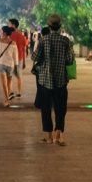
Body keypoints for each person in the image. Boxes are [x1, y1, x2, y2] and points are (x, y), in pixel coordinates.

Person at [31, 14, 73, 145]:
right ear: (60, 27)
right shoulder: (66, 41)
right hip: (61, 80)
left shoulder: (44, 40)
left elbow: (34, 57)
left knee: (46, 109)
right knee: (61, 109)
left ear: (49, 26)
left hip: (45, 80)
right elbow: (70, 60)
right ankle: (59, 135)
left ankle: (49, 137)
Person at [0, 25, 18, 106]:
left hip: (1, 64)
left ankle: (6, 100)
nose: (1, 33)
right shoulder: (13, 43)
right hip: (10, 65)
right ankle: (7, 97)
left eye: (2, 31)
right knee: (9, 83)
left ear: (5, 33)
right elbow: (15, 56)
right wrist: (16, 65)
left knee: (4, 83)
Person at [8, 19, 28, 99]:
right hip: (19, 59)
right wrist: (24, 62)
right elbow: (24, 49)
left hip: (10, 59)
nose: (8, 25)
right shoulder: (22, 36)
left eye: (9, 24)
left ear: (13, 25)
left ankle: (11, 92)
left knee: (9, 76)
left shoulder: (9, 36)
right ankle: (19, 93)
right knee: (19, 76)